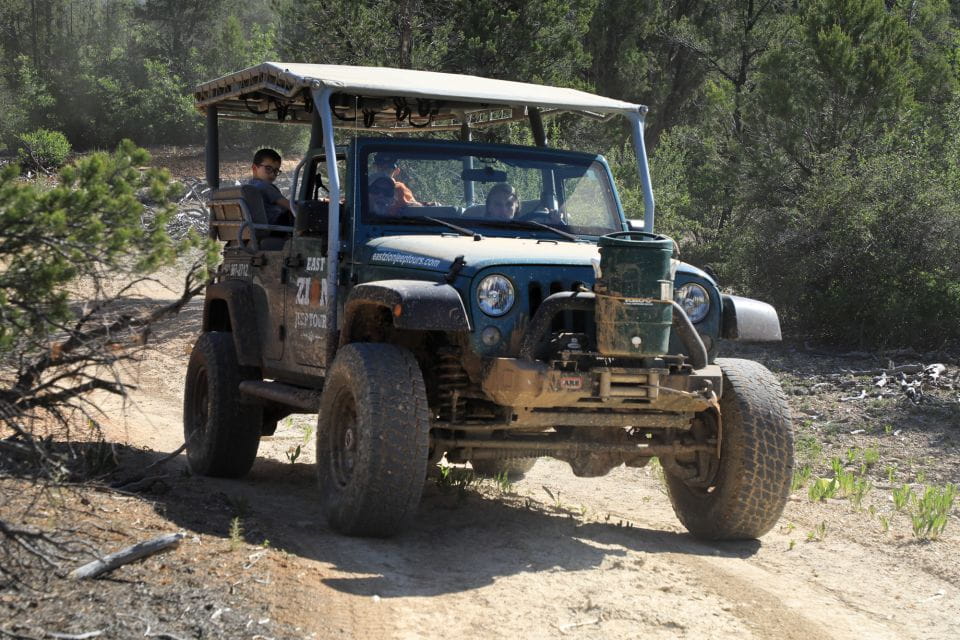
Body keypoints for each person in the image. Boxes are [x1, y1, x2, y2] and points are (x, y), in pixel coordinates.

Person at [246, 148, 293, 225]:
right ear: (254, 168)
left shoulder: (249, 186)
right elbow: (290, 206)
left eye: (276, 171)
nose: (272, 174)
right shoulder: (265, 186)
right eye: (268, 169)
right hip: (274, 227)